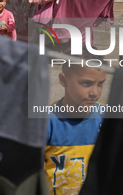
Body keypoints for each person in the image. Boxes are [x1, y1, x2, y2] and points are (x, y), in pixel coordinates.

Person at [44, 48, 106, 195]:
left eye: (100, 83)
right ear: (63, 80)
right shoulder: (46, 122)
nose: (95, 93)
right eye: (86, 83)